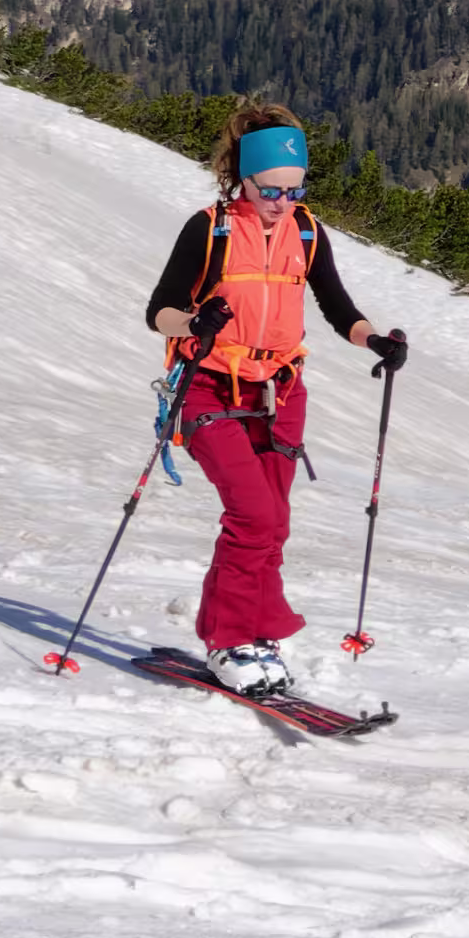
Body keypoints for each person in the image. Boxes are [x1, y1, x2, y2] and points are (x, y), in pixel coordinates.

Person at [142, 101, 408, 698]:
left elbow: (338, 307)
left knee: (274, 522)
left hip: (279, 391)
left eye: (293, 189)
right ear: (245, 176)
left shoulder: (307, 232)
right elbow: (157, 311)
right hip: (210, 386)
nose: (282, 201)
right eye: (271, 189)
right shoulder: (208, 229)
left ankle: (252, 635)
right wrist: (194, 321)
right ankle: (230, 642)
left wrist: (378, 341)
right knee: (253, 516)